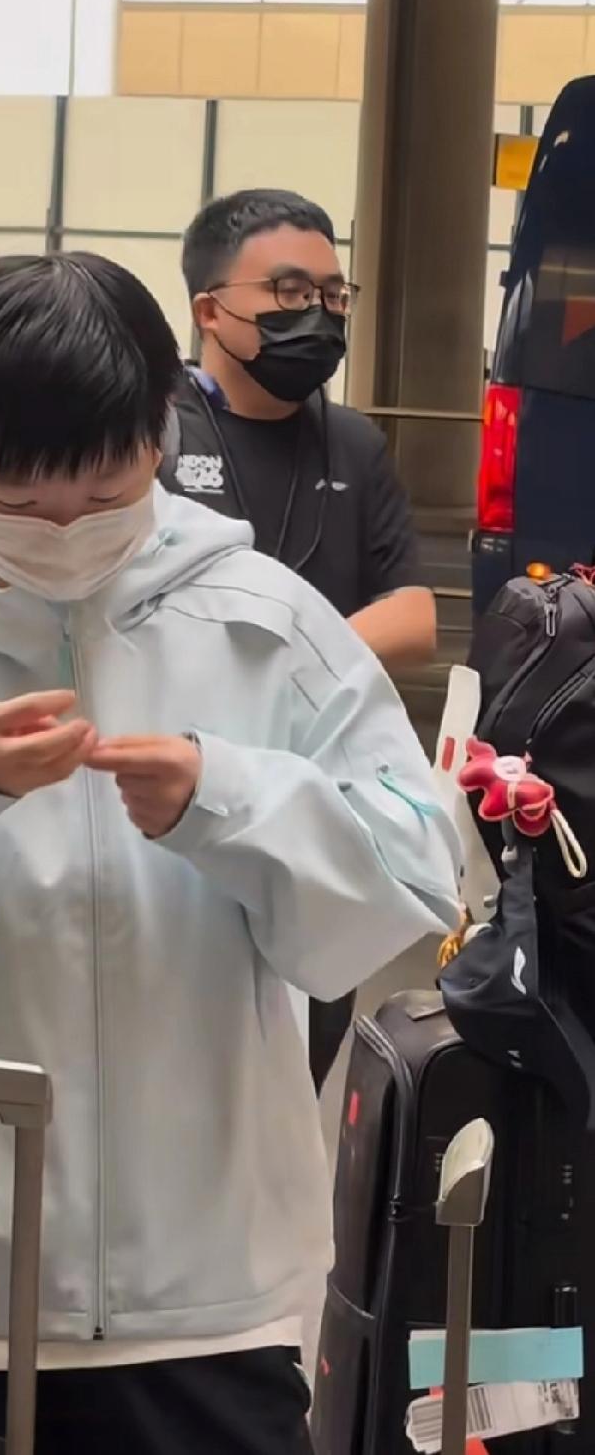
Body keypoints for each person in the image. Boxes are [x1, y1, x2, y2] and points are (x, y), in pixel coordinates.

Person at [0, 252, 460, 1455]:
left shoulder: (270, 630)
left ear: (159, 431)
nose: (61, 531)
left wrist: (228, 799)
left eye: (101, 491)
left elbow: (407, 886)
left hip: (206, 1305)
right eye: (17, 495)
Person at [164, 187, 437, 1091]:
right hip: (176, 804)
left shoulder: (352, 444)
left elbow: (415, 616)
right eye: (287, 292)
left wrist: (285, 653)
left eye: (331, 294)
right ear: (211, 309)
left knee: (297, 1064)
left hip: (317, 811)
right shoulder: (151, 431)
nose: (316, 314)